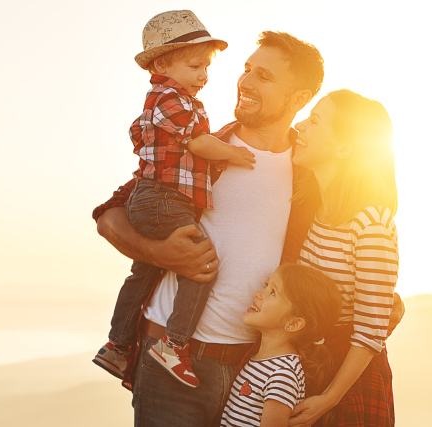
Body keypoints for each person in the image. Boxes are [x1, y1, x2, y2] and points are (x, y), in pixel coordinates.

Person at [93, 30, 328, 426]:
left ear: (300, 99)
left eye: (264, 77)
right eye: (247, 69)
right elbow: (108, 216)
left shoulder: (309, 177)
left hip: (256, 371)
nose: (245, 82)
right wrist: (158, 253)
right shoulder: (199, 149)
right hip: (168, 363)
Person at [93, 10, 257, 389]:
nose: (203, 76)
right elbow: (199, 142)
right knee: (201, 266)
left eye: (207, 68)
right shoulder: (171, 99)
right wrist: (233, 154)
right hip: (165, 199)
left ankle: (117, 345)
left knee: (144, 271)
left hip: (155, 199)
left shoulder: (163, 98)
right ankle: (174, 344)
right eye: (195, 65)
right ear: (162, 63)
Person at [285, 89, 399, 427]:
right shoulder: (311, 207)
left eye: (314, 121)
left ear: (344, 148)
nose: (300, 126)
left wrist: (329, 399)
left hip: (348, 382)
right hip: (307, 367)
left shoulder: (371, 224)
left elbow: (370, 330)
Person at [221, 263, 341, 427]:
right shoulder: (262, 361)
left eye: (272, 292)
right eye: (266, 286)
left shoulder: (282, 374)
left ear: (294, 323)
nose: (258, 294)